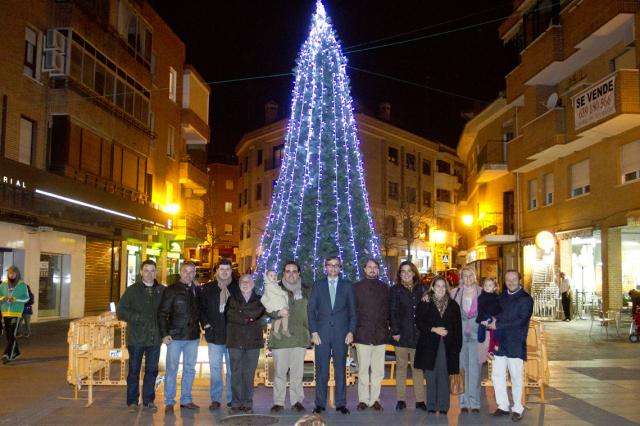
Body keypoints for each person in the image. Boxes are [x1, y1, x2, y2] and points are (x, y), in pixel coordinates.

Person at [308, 256, 356, 415]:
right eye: (330, 265)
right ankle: (320, 404)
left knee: (341, 369)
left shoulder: (347, 286)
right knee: (321, 370)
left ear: (340, 268)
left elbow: (353, 312)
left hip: (342, 335)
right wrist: (314, 331)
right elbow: (311, 310)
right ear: (325, 267)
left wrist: (351, 331)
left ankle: (341, 403)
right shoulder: (318, 285)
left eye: (336, 266)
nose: (333, 268)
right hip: (321, 334)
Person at [116, 259, 165, 412]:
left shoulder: (162, 291)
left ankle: (149, 401)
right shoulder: (133, 290)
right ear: (141, 272)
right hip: (136, 338)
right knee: (134, 371)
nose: (149, 274)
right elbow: (121, 311)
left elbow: (167, 312)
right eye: (146, 270)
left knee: (152, 371)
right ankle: (132, 401)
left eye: (152, 271)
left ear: (156, 272)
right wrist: (137, 318)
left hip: (155, 339)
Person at [488, 270, 533, 422]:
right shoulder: (500, 298)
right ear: (504, 281)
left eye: (514, 279)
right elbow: (493, 315)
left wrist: (497, 324)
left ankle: (518, 408)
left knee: (516, 377)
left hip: (515, 343)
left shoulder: (526, 299)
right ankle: (502, 405)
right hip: (499, 344)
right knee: (497, 376)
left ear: (520, 280)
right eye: (508, 280)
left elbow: (520, 321)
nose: (511, 282)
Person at [415, 276, 462, 415]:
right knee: (430, 376)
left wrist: (457, 347)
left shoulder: (453, 305)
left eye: (443, 286)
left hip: (448, 346)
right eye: (438, 286)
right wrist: (434, 329)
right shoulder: (425, 302)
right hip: (429, 345)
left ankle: (443, 406)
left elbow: (458, 327)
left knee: (444, 376)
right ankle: (431, 405)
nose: (441, 289)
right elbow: (419, 322)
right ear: (433, 288)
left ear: (446, 288)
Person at [158, 262, 201, 414]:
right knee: (171, 369)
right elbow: (162, 313)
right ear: (180, 272)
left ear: (195, 273)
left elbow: (200, 311)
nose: (188, 274)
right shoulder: (171, 290)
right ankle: (169, 401)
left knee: (189, 369)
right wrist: (164, 333)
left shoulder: (197, 290)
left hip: (193, 337)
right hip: (175, 337)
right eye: (185, 271)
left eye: (191, 272)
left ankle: (186, 400)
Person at [268, 261, 311, 414]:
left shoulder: (307, 291)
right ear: (283, 273)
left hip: (300, 337)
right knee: (280, 372)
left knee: (297, 372)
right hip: (281, 339)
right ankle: (278, 402)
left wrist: (311, 332)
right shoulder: (275, 288)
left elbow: (312, 312)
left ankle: (297, 401)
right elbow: (267, 307)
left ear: (299, 273)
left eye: (294, 271)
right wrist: (276, 313)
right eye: (288, 271)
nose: (291, 274)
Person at [199, 258, 238, 410]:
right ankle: (215, 399)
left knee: (231, 370)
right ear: (217, 271)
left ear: (230, 271)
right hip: (215, 335)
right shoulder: (208, 288)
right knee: (215, 369)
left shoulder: (236, 288)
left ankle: (230, 398)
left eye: (227, 269)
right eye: (221, 269)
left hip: (232, 335)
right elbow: (201, 308)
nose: (224, 272)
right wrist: (206, 325)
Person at [389, 261, 427, 411]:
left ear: (414, 273)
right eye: (403, 271)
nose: (406, 274)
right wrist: (395, 331)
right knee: (401, 367)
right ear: (399, 274)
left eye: (409, 271)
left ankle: (420, 400)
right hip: (401, 335)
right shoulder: (395, 290)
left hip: (418, 335)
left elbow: (427, 310)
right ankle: (401, 399)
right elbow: (392, 312)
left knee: (418, 368)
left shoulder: (422, 289)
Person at [353, 258, 389, 411]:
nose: (372, 269)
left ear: (378, 270)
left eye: (375, 267)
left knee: (378, 371)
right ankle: (363, 399)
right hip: (363, 334)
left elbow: (388, 311)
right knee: (362, 370)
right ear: (364, 269)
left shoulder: (384, 288)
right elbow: (353, 311)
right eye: (369, 267)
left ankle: (375, 399)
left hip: (380, 335)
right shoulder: (356, 288)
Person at [226, 274, 265, 414]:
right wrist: (248, 318)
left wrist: (242, 313)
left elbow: (258, 312)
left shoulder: (260, 299)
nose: (245, 283)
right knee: (236, 373)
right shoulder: (232, 299)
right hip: (235, 340)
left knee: (249, 374)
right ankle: (236, 402)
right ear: (239, 283)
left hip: (253, 342)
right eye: (243, 281)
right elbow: (230, 315)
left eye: (248, 281)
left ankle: (247, 402)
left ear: (253, 284)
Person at [450, 266, 482, 414]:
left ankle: (474, 403)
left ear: (474, 277)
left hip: (476, 337)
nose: (468, 279)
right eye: (465, 276)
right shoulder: (455, 293)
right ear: (461, 278)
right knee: (462, 369)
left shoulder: (482, 292)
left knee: (475, 370)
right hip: (460, 336)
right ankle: (462, 402)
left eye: (470, 276)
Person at [0, 266, 29, 363]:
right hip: (5, 313)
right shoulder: (3, 285)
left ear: (17, 274)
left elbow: (26, 298)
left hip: (16, 313)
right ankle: (16, 352)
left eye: (13, 273)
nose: (11, 275)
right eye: (9, 273)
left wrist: (15, 299)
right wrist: (2, 298)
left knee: (12, 334)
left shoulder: (22, 285)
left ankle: (6, 354)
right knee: (8, 335)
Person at [476, 277, 501, 364]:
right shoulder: (481, 297)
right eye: (485, 285)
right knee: (481, 336)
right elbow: (480, 309)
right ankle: (482, 340)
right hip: (484, 317)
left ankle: (493, 348)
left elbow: (498, 309)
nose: (487, 287)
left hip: (493, 317)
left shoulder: (497, 297)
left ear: (494, 288)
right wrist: (481, 319)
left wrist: (492, 319)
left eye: (490, 285)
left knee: (494, 334)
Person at [262, 269, 290, 338]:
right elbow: (277, 292)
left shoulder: (276, 285)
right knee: (279, 318)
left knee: (285, 316)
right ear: (267, 277)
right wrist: (284, 292)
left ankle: (285, 329)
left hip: (280, 305)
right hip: (276, 306)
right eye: (271, 275)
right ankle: (276, 331)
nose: (273, 277)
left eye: (275, 275)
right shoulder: (269, 285)